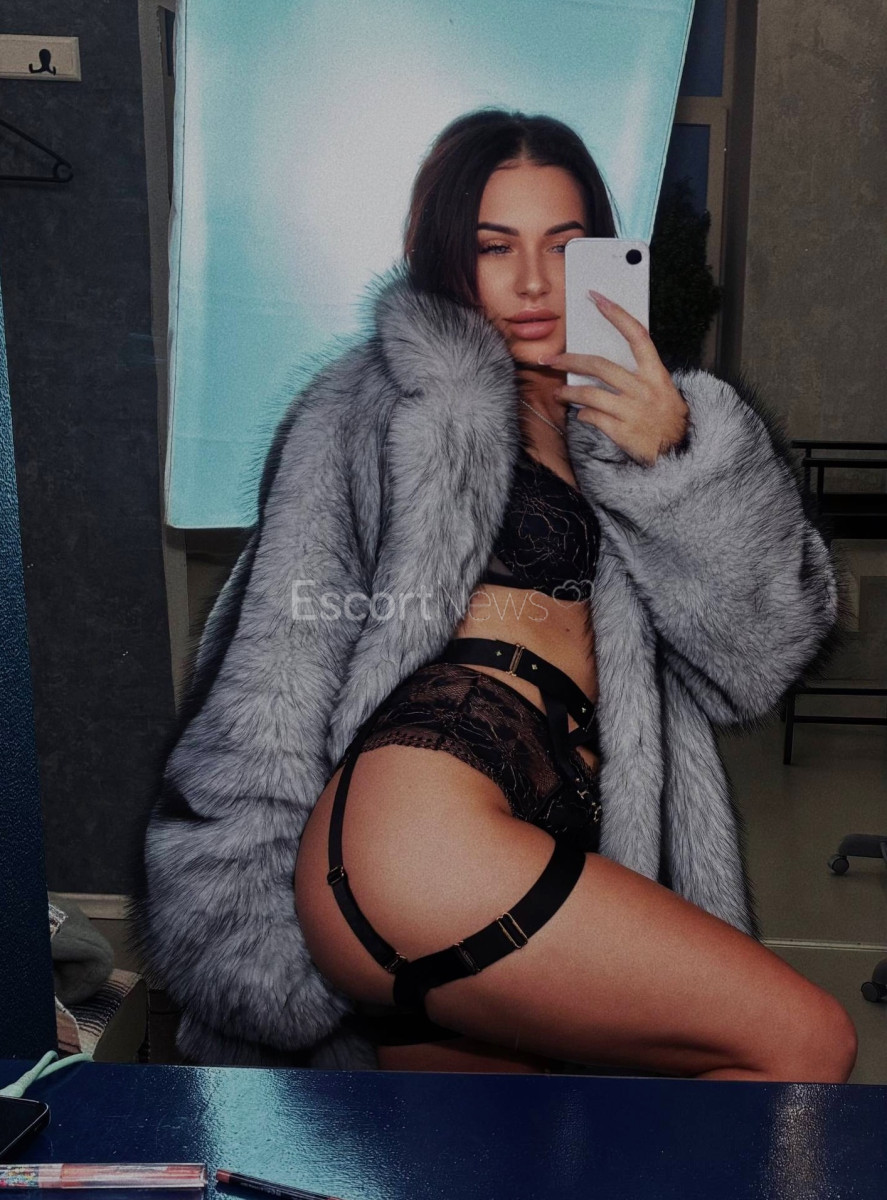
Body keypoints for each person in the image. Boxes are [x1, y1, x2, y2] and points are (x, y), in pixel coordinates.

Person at [135, 110, 856, 1081]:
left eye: (562, 246)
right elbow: (279, 667)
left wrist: (679, 463)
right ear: (444, 253)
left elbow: (756, 658)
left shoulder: (640, 418)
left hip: (543, 834)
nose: (531, 283)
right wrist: (236, 929)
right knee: (802, 1039)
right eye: (493, 246)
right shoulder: (376, 404)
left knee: (520, 1154)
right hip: (420, 822)